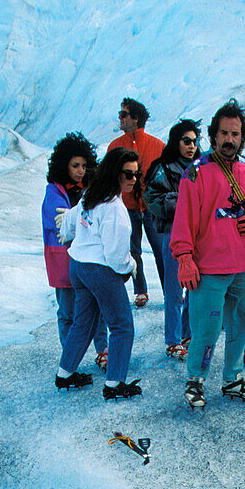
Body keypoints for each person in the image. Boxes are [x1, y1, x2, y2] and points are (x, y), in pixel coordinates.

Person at [169, 99, 245, 409]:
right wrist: (184, 258)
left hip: (240, 266)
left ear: (242, 137)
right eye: (224, 133)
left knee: (240, 324)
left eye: (235, 134)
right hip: (208, 268)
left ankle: (232, 379)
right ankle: (195, 381)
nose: (229, 139)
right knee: (206, 328)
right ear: (214, 135)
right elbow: (183, 219)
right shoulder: (196, 173)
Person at [55, 148, 141, 401]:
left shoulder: (91, 195)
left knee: (84, 322)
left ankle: (65, 374)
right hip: (100, 270)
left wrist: (70, 233)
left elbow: (71, 221)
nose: (133, 180)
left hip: (78, 266)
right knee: (122, 326)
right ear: (115, 172)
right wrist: (129, 266)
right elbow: (115, 256)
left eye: (136, 174)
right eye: (128, 174)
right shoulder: (114, 208)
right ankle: (114, 384)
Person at [42, 133, 108, 370]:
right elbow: (60, 221)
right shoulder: (54, 191)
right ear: (64, 165)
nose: (80, 171)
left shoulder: (87, 189)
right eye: (75, 165)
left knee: (98, 307)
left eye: (84, 165)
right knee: (68, 312)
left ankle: (103, 351)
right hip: (63, 262)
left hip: (87, 259)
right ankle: (70, 357)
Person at [143, 119, 201, 360]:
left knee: (194, 287)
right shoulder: (163, 168)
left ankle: (187, 333)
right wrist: (186, 201)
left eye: (195, 142)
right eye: (186, 141)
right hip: (173, 235)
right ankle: (173, 340)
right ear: (176, 141)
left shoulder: (202, 166)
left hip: (198, 236)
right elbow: (152, 200)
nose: (191, 146)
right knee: (174, 289)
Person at [108, 97, 165, 308]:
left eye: (123, 115)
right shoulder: (114, 147)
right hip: (126, 207)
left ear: (136, 118)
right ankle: (140, 290)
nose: (120, 119)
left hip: (153, 208)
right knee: (133, 251)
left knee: (161, 250)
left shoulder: (158, 146)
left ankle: (169, 290)